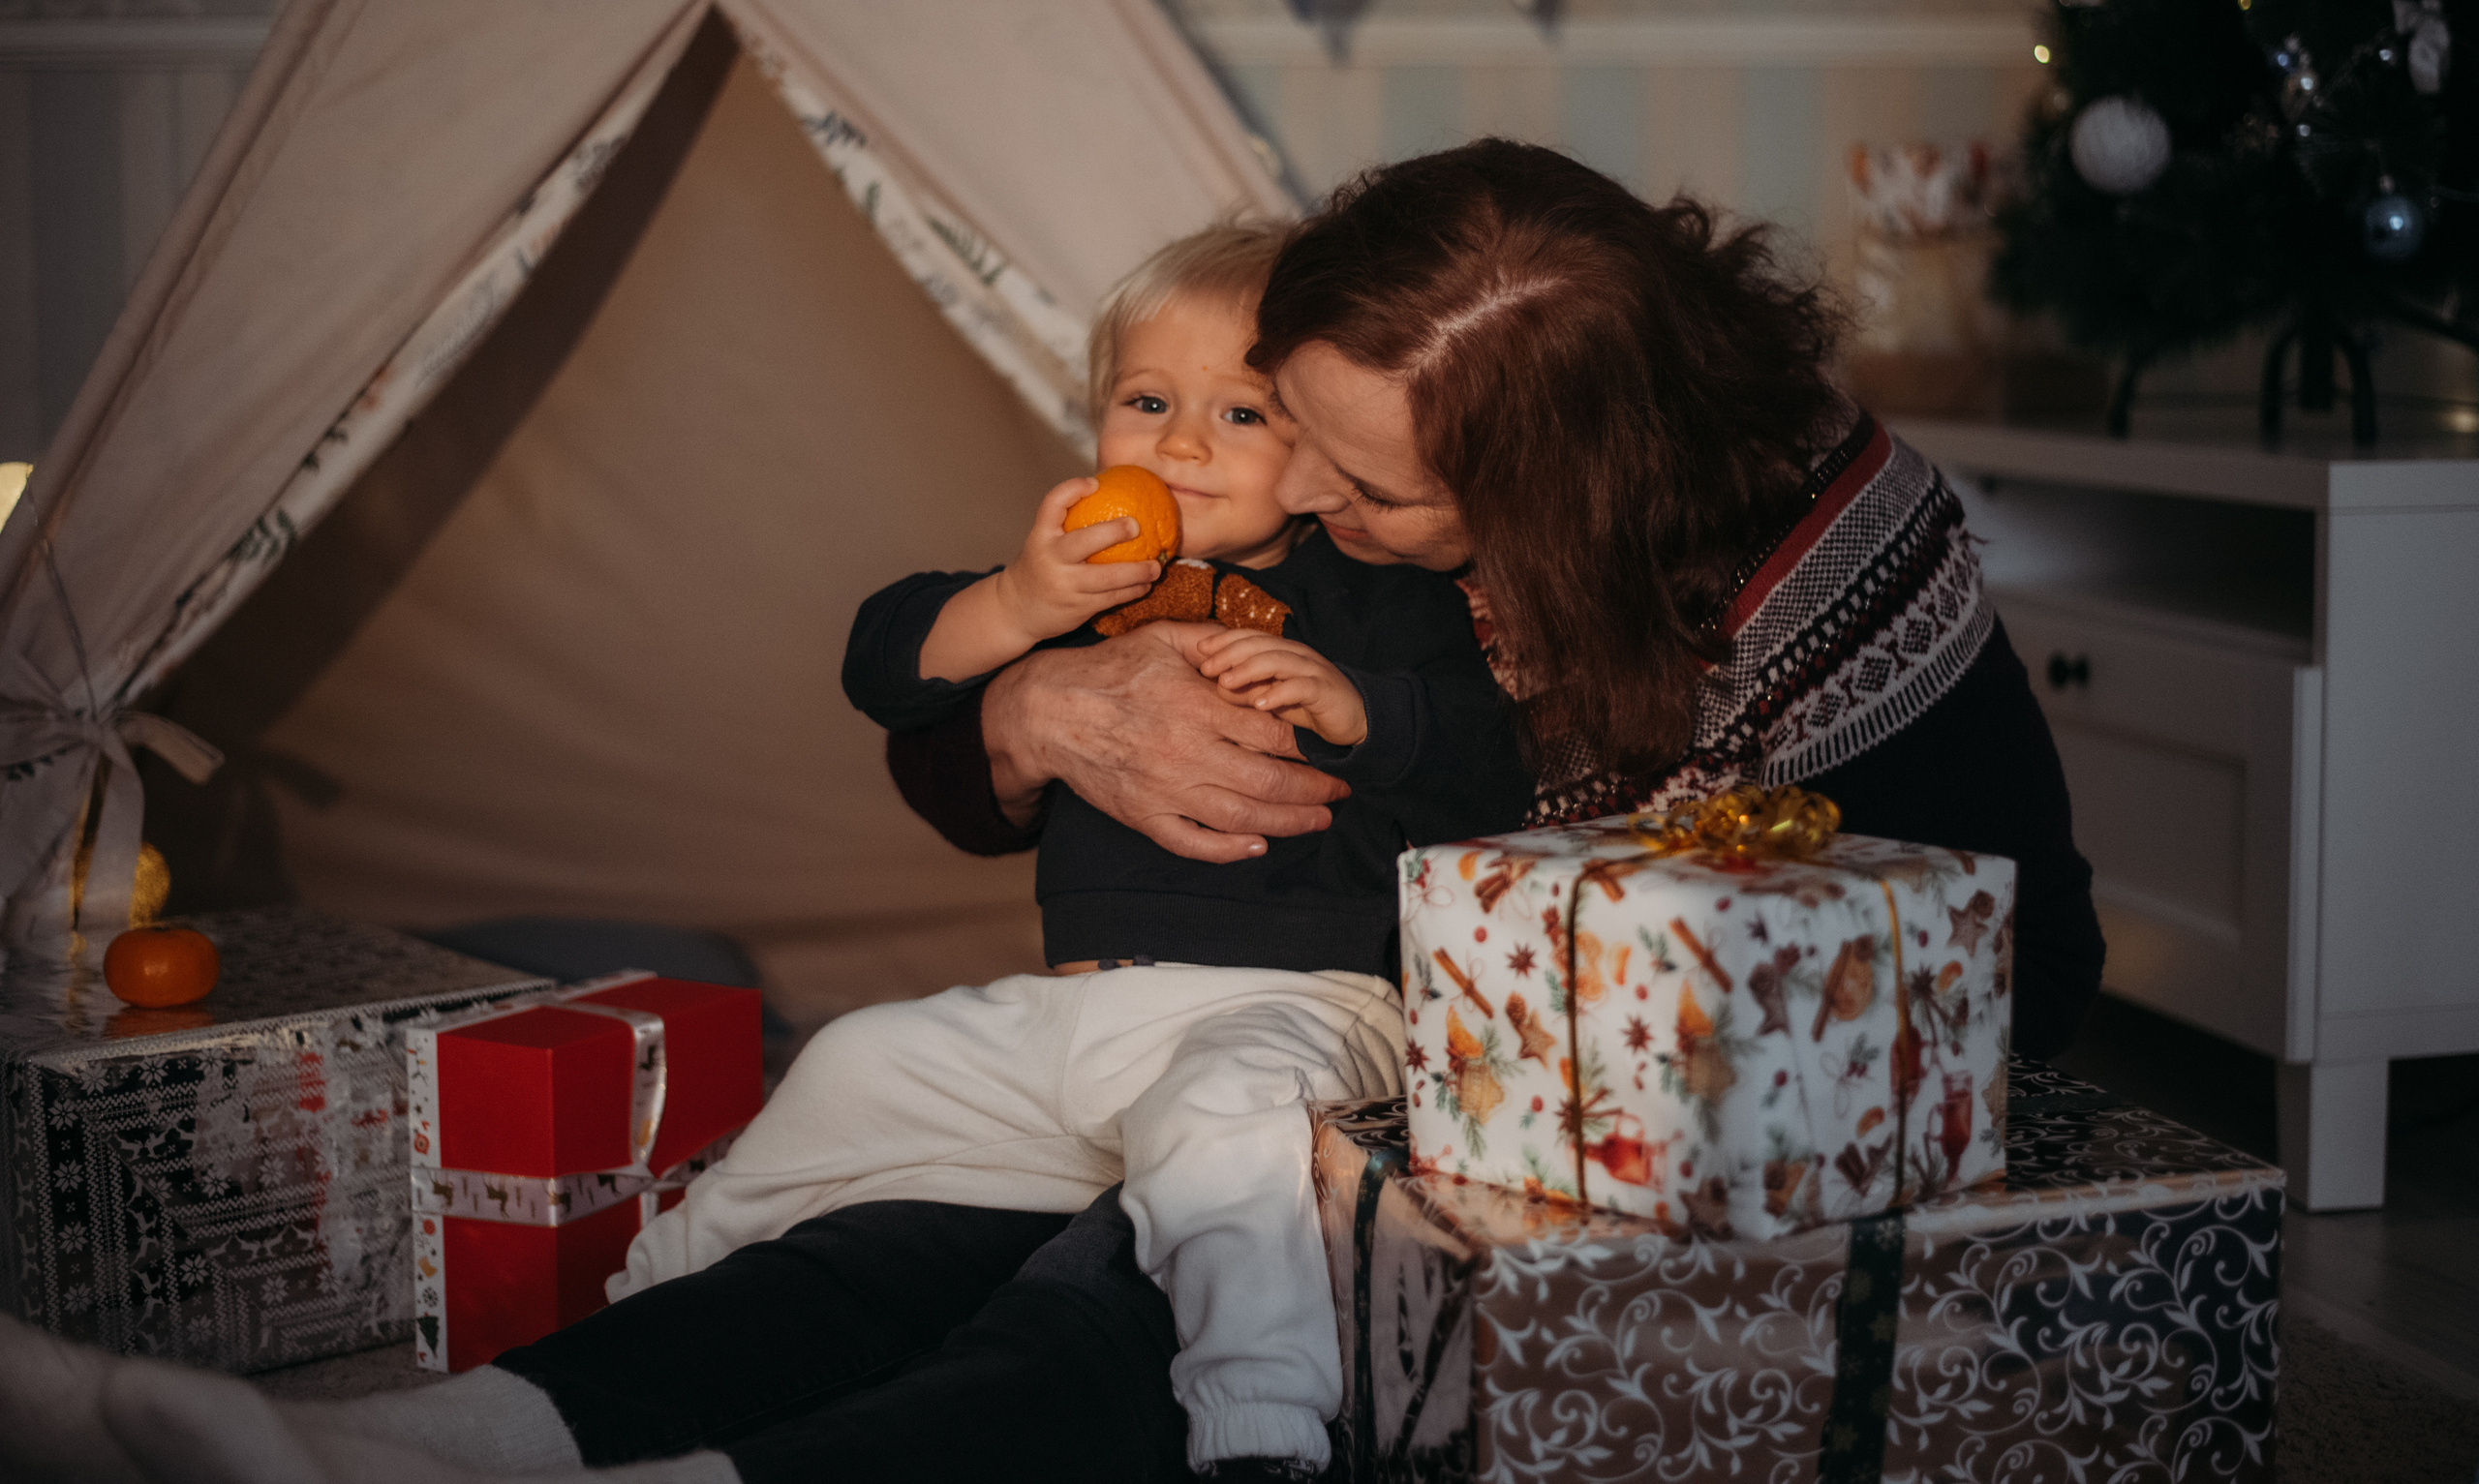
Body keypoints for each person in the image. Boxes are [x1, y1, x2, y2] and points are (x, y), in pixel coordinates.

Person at [0, 141, 2104, 1484]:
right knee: (894, 1187)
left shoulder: (1798, 571)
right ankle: (426, 1442)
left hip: (1551, 1115)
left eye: (1365, 487)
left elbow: (2014, 982)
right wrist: (1029, 701)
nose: (1326, 517)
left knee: (1121, 1271)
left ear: (1556, 485)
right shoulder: (1422, 504)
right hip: (1278, 1013)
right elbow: (964, 763)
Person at [611, 220, 1529, 1480]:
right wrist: (1019, 609)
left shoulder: (1383, 596)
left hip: (1301, 1005)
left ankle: (1260, 1420)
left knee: (1232, 1139)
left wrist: (1364, 708)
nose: (1182, 443)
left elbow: (1491, 753)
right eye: (1146, 400)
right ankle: (656, 1280)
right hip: (1076, 1020)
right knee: (854, 1058)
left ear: (1326, 441)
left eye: (1243, 414)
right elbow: (883, 663)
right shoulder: (1081, 580)